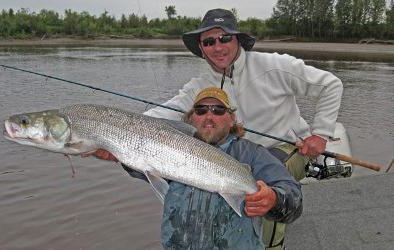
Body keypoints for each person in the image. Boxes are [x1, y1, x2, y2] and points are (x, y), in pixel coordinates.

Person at [140, 8, 343, 249]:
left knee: (267, 185)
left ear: (237, 40)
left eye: (225, 38)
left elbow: (331, 85)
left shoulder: (275, 65)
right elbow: (160, 114)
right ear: (201, 48)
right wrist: (112, 135)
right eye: (209, 41)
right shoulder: (199, 86)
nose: (218, 47)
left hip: (284, 148)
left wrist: (320, 133)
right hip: (232, 152)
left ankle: (271, 242)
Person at [105, 87, 301, 249]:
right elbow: (141, 166)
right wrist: (116, 151)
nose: (209, 116)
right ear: (191, 118)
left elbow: (294, 200)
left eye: (218, 110)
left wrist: (274, 199)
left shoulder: (252, 153)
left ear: (231, 118)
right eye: (201, 110)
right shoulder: (171, 148)